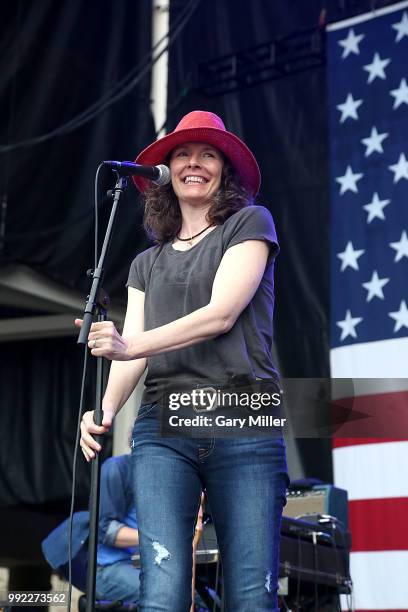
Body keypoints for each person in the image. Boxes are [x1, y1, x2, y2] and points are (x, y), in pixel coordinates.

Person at [77, 110, 289, 611]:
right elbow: (131, 350)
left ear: (225, 170)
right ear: (164, 175)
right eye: (182, 155)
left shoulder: (249, 223)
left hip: (243, 416)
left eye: (208, 154)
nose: (194, 163)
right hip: (164, 427)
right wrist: (103, 411)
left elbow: (220, 314)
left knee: (251, 595)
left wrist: (134, 346)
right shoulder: (146, 263)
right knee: (163, 592)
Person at [42, 454, 140, 603]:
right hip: (106, 568)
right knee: (165, 594)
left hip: (135, 566)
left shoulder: (168, 478)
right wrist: (154, 538)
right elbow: (105, 529)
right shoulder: (117, 467)